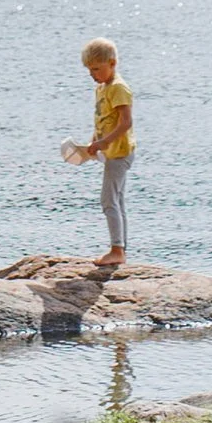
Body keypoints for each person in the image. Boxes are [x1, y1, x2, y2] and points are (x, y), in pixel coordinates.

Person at [62, 39, 134, 267]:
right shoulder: (102, 88)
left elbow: (125, 123)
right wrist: (94, 141)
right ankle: (120, 248)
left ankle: (117, 250)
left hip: (120, 153)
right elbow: (104, 118)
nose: (92, 74)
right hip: (110, 151)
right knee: (117, 201)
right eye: (89, 70)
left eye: (97, 69)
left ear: (112, 63)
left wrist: (104, 142)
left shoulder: (118, 88)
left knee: (108, 200)